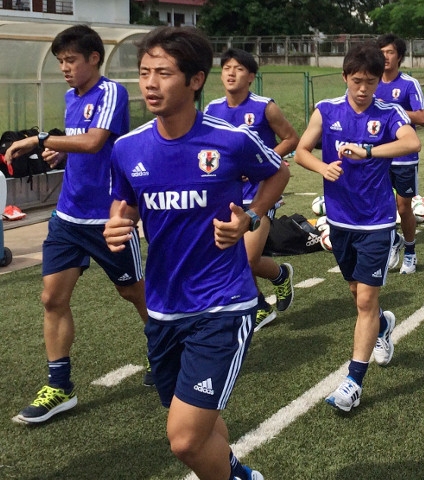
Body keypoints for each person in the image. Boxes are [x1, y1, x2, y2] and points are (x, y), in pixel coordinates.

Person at [104, 26, 288, 480]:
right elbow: (123, 200)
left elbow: (278, 172)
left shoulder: (231, 140)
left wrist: (250, 216)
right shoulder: (128, 148)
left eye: (163, 73)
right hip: (163, 308)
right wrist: (116, 222)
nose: (149, 83)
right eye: (145, 72)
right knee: (195, 424)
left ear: (194, 80)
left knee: (184, 439)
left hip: (222, 304)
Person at [5, 25, 150, 424]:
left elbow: (93, 141)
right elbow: (80, 149)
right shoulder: (72, 97)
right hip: (68, 218)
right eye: (60, 62)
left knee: (134, 293)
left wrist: (40, 140)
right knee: (52, 298)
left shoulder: (111, 93)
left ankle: (165, 350)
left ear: (93, 59)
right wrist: (61, 156)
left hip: (109, 219)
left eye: (71, 60)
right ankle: (60, 385)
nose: (65, 69)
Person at [294, 42, 421, 411]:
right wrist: (322, 168)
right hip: (339, 220)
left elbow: (411, 141)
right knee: (357, 293)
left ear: (379, 80)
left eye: (370, 81)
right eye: (356, 81)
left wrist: (370, 151)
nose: (363, 89)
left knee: (365, 299)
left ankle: (353, 382)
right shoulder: (326, 110)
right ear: (345, 78)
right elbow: (301, 150)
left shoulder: (390, 112)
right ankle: (382, 326)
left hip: (377, 221)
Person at [205, 48, 298, 330]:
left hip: (260, 192)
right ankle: (269, 292)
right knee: (235, 258)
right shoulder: (212, 110)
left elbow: (291, 138)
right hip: (227, 195)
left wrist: (265, 162)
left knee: (246, 258)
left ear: (251, 77)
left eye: (239, 68)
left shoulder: (264, 107)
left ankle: (270, 290)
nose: (231, 73)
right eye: (226, 68)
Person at [375, 34, 424, 274]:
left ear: (399, 56)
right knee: (379, 205)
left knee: (403, 207)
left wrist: (392, 111)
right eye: (382, 52)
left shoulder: (408, 84)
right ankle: (392, 241)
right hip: (377, 156)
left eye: (390, 52)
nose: (385, 57)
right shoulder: (371, 82)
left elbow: (422, 117)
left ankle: (411, 251)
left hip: (404, 157)